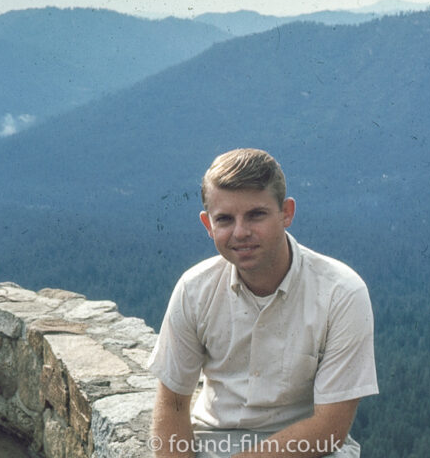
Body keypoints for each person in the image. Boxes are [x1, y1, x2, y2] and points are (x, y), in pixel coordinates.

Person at [148, 148, 378, 458]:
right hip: (215, 442)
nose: (241, 232)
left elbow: (330, 426)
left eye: (256, 214)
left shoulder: (341, 293)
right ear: (208, 225)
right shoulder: (194, 289)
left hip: (312, 449)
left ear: (287, 213)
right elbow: (172, 402)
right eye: (225, 219)